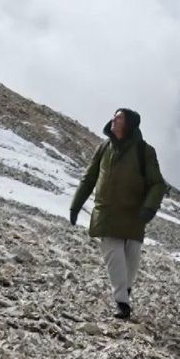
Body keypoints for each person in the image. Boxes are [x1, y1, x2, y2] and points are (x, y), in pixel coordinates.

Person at [69, 107, 167, 320]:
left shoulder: (144, 151)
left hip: (134, 216)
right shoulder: (103, 148)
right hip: (106, 214)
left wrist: (149, 208)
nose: (114, 119)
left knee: (131, 261)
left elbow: (158, 184)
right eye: (114, 116)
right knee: (114, 257)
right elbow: (89, 178)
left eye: (119, 117)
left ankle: (126, 290)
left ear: (130, 123)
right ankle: (122, 302)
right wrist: (75, 206)